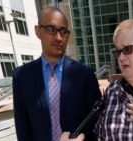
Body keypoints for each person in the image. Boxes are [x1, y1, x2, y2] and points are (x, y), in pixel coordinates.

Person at [12, 7, 101, 141]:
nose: (59, 37)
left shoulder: (85, 74)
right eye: (51, 29)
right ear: (38, 31)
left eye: (63, 31)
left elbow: (97, 121)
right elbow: (22, 125)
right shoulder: (22, 76)